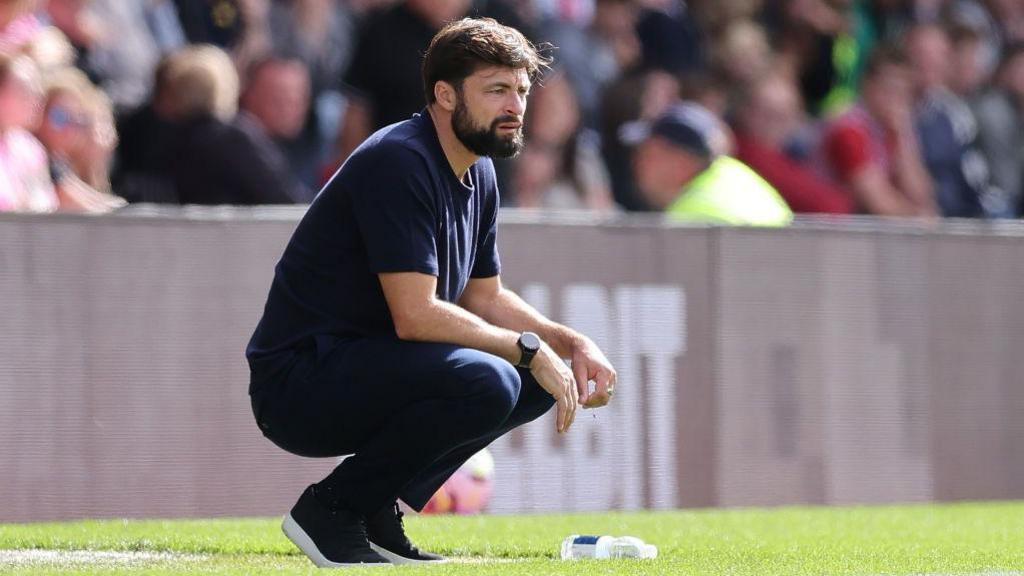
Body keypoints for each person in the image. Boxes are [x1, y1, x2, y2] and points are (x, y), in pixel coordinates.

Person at [246, 18, 617, 567]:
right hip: (299, 384)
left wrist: (569, 342)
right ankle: (330, 509)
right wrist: (529, 349)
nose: (515, 105)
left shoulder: (480, 169)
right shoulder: (401, 159)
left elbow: (485, 297)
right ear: (444, 94)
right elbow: (415, 317)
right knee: (496, 377)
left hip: (366, 367)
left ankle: (371, 509)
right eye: (496, 90)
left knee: (535, 377)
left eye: (521, 90)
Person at [631, 101, 794, 226]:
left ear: (681, 162)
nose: (637, 162)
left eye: (648, 154)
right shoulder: (734, 174)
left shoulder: (690, 216)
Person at [821, 44, 937, 217]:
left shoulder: (895, 129)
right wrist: (924, 220)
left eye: (903, 91)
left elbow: (922, 196)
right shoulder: (847, 131)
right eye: (890, 88)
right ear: (867, 85)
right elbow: (880, 204)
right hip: (836, 230)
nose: (896, 99)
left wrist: (903, 135)